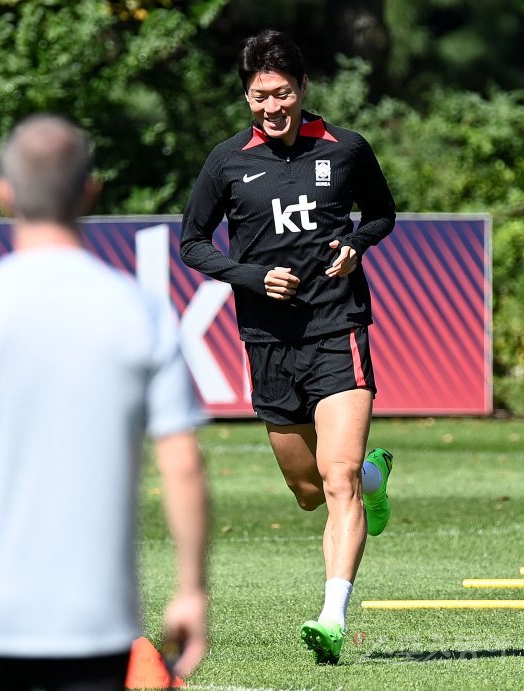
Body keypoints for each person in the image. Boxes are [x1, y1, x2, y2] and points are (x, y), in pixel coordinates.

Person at [0, 115, 209, 690]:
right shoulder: (141, 311)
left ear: (2, 193)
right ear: (90, 190)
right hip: (97, 622)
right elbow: (181, 462)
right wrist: (190, 590)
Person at [180, 29, 395, 665]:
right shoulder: (227, 161)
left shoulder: (345, 148)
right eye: (259, 97)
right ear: (246, 98)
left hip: (338, 327)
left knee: (337, 476)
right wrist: (250, 276)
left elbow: (381, 214)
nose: (272, 107)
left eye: (281, 93)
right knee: (308, 490)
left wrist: (356, 244)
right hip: (269, 342)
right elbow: (192, 243)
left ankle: (332, 617)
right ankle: (377, 476)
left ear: (302, 88)